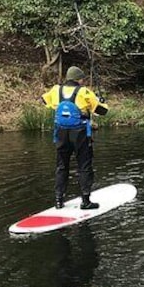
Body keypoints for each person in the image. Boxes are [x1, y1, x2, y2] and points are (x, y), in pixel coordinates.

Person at [40, 66, 109, 209]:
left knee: (61, 166)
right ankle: (85, 201)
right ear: (79, 79)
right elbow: (102, 111)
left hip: (61, 133)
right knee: (84, 166)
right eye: (82, 79)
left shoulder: (55, 90)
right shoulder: (84, 92)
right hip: (80, 133)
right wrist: (100, 100)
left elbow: (44, 100)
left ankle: (59, 201)